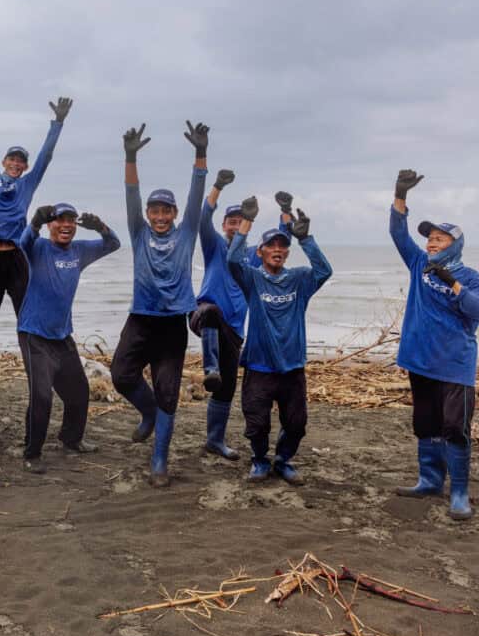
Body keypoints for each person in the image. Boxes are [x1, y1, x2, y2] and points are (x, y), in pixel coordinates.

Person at [110, 121, 209, 487]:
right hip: (141, 320)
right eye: (156, 210)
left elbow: (197, 195)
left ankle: (160, 460)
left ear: (175, 214)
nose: (161, 216)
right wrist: (130, 156)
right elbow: (131, 192)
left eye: (167, 211)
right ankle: (147, 413)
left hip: (171, 327)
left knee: (169, 391)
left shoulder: (186, 234)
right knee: (121, 376)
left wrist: (201, 155)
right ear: (149, 214)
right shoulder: (139, 233)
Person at [390, 169, 479, 520]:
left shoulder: (470, 277)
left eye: (440, 239)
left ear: (456, 245)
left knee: (455, 428)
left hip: (455, 367)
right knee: (426, 424)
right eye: (430, 238)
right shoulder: (418, 264)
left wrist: (453, 283)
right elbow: (398, 233)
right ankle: (430, 480)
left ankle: (459, 493)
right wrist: (400, 195)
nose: (431, 243)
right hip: (421, 362)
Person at [227, 196, 332, 485]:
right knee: (257, 423)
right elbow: (232, 261)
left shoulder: (299, 279)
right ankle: (260, 459)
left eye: (282, 246)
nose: (277, 249)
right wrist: (246, 223)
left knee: (296, 424)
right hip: (259, 367)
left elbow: (324, 271)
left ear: (287, 252)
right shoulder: (252, 278)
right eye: (271, 246)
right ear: (260, 252)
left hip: (292, 367)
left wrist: (305, 238)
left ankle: (283, 460)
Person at [190, 184, 294, 460]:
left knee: (226, 390)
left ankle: (214, 441)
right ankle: (209, 367)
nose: (235, 225)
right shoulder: (213, 244)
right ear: (223, 225)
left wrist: (286, 211)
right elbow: (202, 218)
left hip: (234, 329)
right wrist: (217, 187)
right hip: (204, 314)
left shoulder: (251, 255)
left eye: (240, 221)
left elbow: (283, 240)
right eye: (231, 221)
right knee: (211, 312)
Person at [17, 203, 121, 473]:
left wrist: (100, 227)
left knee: (79, 393)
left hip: (62, 336)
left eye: (70, 220)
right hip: (34, 335)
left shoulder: (80, 250)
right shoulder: (38, 248)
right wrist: (35, 223)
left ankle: (71, 438)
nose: (65, 225)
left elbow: (114, 244)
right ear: (51, 225)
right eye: (59, 220)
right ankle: (32, 452)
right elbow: (23, 243)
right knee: (42, 396)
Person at [0, 83, 73, 336]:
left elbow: (45, 157)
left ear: (25, 166)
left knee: (26, 316)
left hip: (17, 257)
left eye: (21, 161)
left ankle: (36, 370)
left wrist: (57, 123)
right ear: (4, 161)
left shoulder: (27, 183)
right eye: (12, 159)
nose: (16, 163)